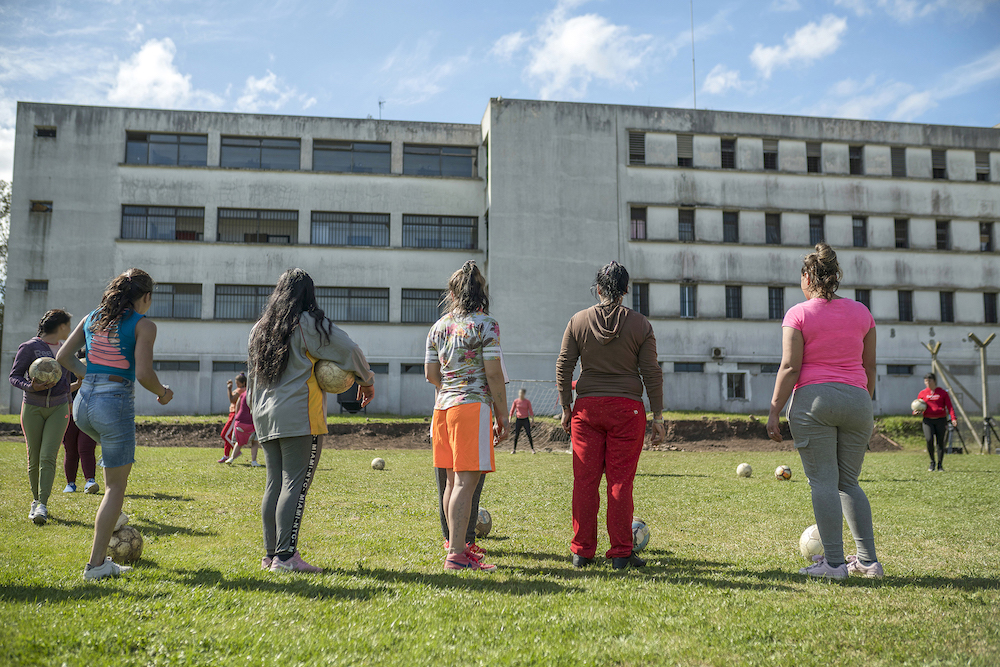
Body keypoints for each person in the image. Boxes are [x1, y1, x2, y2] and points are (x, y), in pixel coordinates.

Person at [766, 243, 883, 580]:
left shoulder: (798, 314)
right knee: (850, 483)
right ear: (835, 276)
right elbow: (870, 366)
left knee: (824, 484)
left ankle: (833, 564)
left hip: (814, 403)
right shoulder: (862, 312)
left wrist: (774, 409)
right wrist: (864, 404)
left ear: (807, 277)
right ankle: (868, 562)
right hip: (858, 401)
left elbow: (790, 366)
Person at [248, 268, 374, 574]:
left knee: (274, 484)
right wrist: (366, 380)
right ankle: (287, 557)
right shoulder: (307, 323)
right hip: (298, 416)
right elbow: (349, 348)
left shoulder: (259, 328)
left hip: (264, 415)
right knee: (295, 485)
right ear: (308, 294)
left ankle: (271, 555)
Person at [57, 268, 175, 580]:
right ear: (146, 297)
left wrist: (90, 374)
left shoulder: (93, 317)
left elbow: (64, 358)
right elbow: (144, 374)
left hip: (83, 405)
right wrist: (163, 393)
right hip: (115, 403)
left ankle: (114, 516)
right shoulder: (144, 325)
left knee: (110, 463)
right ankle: (96, 565)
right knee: (115, 487)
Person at [556, 261, 664, 570]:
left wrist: (566, 405)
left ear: (599, 289)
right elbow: (651, 373)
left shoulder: (577, 321)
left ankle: (582, 552)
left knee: (585, 482)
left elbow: (564, 364)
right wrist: (658, 416)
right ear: (626, 290)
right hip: (627, 410)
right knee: (620, 483)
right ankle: (620, 554)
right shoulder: (641, 325)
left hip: (587, 409)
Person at [425, 260, 508, 571]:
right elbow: (494, 375)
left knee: (450, 483)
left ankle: (454, 547)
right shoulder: (486, 324)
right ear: (481, 292)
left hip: (442, 408)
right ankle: (457, 556)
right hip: (471, 408)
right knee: (465, 484)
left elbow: (431, 374)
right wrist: (503, 415)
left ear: (452, 292)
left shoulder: (438, 326)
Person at [10, 309, 74, 525]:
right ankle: (35, 500)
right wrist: (31, 386)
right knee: (34, 457)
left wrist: (71, 402)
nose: (71, 329)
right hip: (33, 408)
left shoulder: (67, 350)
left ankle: (42, 505)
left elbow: (69, 378)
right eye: (68, 325)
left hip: (59, 408)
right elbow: (15, 376)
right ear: (61, 326)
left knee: (48, 456)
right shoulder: (29, 347)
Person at [62, 348, 100, 494]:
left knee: (85, 448)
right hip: (69, 414)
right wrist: (77, 384)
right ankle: (70, 483)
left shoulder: (96, 374)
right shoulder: (68, 372)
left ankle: (90, 481)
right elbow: (62, 392)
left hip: (89, 416)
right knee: (70, 449)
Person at [915, 373, 956, 472]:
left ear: (934, 381)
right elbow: (918, 405)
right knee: (929, 440)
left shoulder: (942, 393)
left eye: (930, 380)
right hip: (928, 420)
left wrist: (953, 418)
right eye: (926, 381)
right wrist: (915, 412)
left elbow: (949, 406)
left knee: (940, 442)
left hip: (941, 420)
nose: (928, 383)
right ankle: (932, 462)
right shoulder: (923, 393)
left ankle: (940, 465)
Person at [225, 385, 260, 466]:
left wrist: (237, 417)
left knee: (239, 442)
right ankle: (254, 461)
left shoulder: (243, 394)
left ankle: (231, 458)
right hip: (251, 423)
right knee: (254, 442)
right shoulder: (256, 395)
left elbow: (237, 406)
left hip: (239, 422)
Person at [218, 374, 244, 463]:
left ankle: (236, 451)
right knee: (228, 435)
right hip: (232, 414)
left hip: (234, 414)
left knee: (224, 434)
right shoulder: (241, 389)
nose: (237, 385)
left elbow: (232, 400)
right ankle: (226, 455)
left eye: (238, 383)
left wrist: (229, 389)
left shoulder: (241, 390)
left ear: (243, 383)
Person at [509, 388, 536, 454]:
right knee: (516, 435)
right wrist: (510, 419)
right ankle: (514, 449)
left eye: (521, 393)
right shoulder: (516, 401)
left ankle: (533, 449)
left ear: (524, 394)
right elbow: (512, 410)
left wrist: (532, 420)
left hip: (525, 420)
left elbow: (530, 411)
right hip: (518, 420)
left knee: (529, 434)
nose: (520, 394)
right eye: (519, 393)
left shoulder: (527, 401)